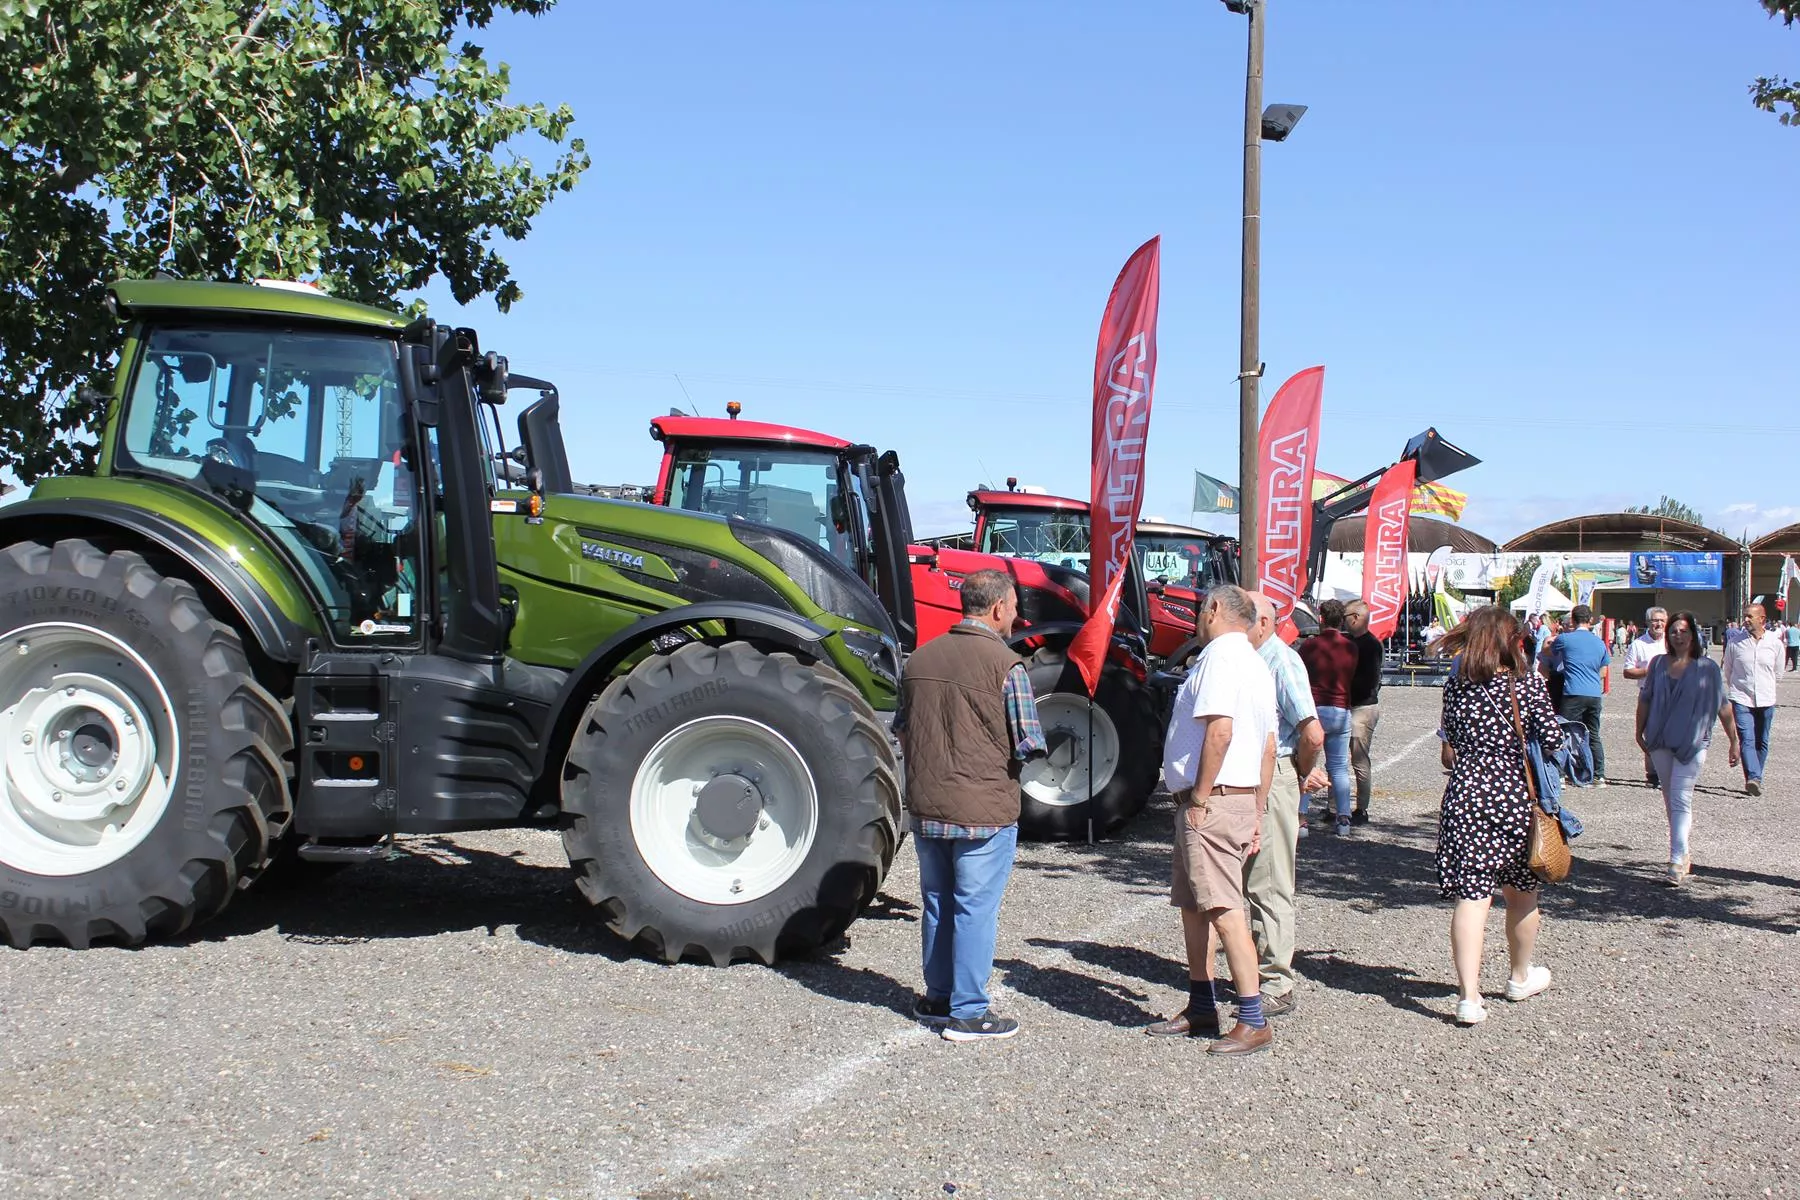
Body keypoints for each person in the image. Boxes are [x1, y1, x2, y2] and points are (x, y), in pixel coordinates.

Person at [894, 568, 1044, 1041]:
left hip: (927, 804)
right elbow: (1028, 741)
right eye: (1015, 607)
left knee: (937, 902)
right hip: (983, 810)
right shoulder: (1007, 665)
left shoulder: (918, 659)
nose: (1017, 616)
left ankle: (938, 997)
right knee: (974, 908)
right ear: (998, 607)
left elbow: (902, 728)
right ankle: (969, 1012)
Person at [1146, 584, 1278, 1055]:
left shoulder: (1222, 658)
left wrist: (1200, 794)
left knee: (1222, 908)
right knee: (1195, 904)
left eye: (1202, 609)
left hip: (1212, 801)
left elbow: (1220, 730)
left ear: (1216, 609)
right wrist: (1257, 809)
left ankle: (1252, 1017)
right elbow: (1266, 748)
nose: (1198, 618)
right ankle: (1201, 1003)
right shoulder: (1256, 662)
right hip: (1232, 799)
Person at [1431, 605, 1563, 1027]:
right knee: (1521, 892)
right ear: (1510, 641)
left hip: (1466, 794)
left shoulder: (1456, 688)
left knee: (1472, 896)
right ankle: (1519, 976)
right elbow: (1554, 737)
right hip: (1512, 796)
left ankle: (1468, 997)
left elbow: (1449, 745)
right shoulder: (1525, 685)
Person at [1244, 591, 1327, 1013]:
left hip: (1274, 775)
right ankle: (1257, 971)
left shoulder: (1281, 660)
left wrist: (1296, 769)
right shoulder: (1255, 658)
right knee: (1253, 877)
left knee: (1270, 881)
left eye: (1245, 617)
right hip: (1255, 775)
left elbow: (1312, 732)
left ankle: (1276, 982)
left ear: (1263, 623)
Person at [1637, 611, 1738, 885]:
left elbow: (1723, 706)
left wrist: (1734, 740)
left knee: (1681, 797)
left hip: (1693, 741)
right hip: (1658, 738)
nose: (1677, 636)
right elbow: (1645, 698)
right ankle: (1682, 851)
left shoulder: (1707, 668)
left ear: (1693, 635)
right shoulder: (1657, 664)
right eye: (1673, 631)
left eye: (1683, 631)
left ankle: (1676, 858)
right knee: (1671, 798)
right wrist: (1638, 731)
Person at [1298, 599, 1359, 835]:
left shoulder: (1310, 646)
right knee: (1339, 767)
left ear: (1321, 619)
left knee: (1306, 764)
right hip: (1341, 709)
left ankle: (1302, 817)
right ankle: (1343, 818)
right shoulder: (1351, 647)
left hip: (1316, 708)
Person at [1544, 604, 1610, 785]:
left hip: (1573, 691)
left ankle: (1561, 775)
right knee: (1593, 733)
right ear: (1590, 620)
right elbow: (1603, 672)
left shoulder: (1565, 639)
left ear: (1572, 620)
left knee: (1563, 732)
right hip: (1594, 694)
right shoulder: (1599, 643)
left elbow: (1549, 651)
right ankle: (1599, 775)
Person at [1723, 602, 1783, 796]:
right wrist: (1737, 688)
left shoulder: (1774, 642)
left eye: (1750, 616)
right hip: (1742, 697)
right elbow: (1728, 669)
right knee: (1746, 738)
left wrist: (1768, 686)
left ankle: (1756, 776)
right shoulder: (1735, 642)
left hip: (1766, 698)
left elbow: (1778, 672)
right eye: (1745, 616)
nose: (1746, 620)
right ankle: (1753, 778)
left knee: (1762, 740)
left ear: (1762, 619)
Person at [1342, 599, 1383, 824]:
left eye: (1346, 617)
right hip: (1348, 706)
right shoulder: (1348, 642)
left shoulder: (1371, 646)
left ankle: (1362, 808)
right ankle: (1336, 807)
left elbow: (1370, 681)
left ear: (1356, 617)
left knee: (1359, 759)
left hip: (1363, 707)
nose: (1344, 622)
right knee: (1338, 759)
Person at [1622, 607, 1669, 787]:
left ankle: (1668, 771)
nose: (1658, 624)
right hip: (1649, 694)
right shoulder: (1638, 644)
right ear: (1648, 623)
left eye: (1661, 621)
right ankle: (1653, 773)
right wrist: (1648, 671)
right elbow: (1627, 671)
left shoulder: (1672, 642)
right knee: (1650, 734)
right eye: (1654, 621)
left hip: (1672, 694)